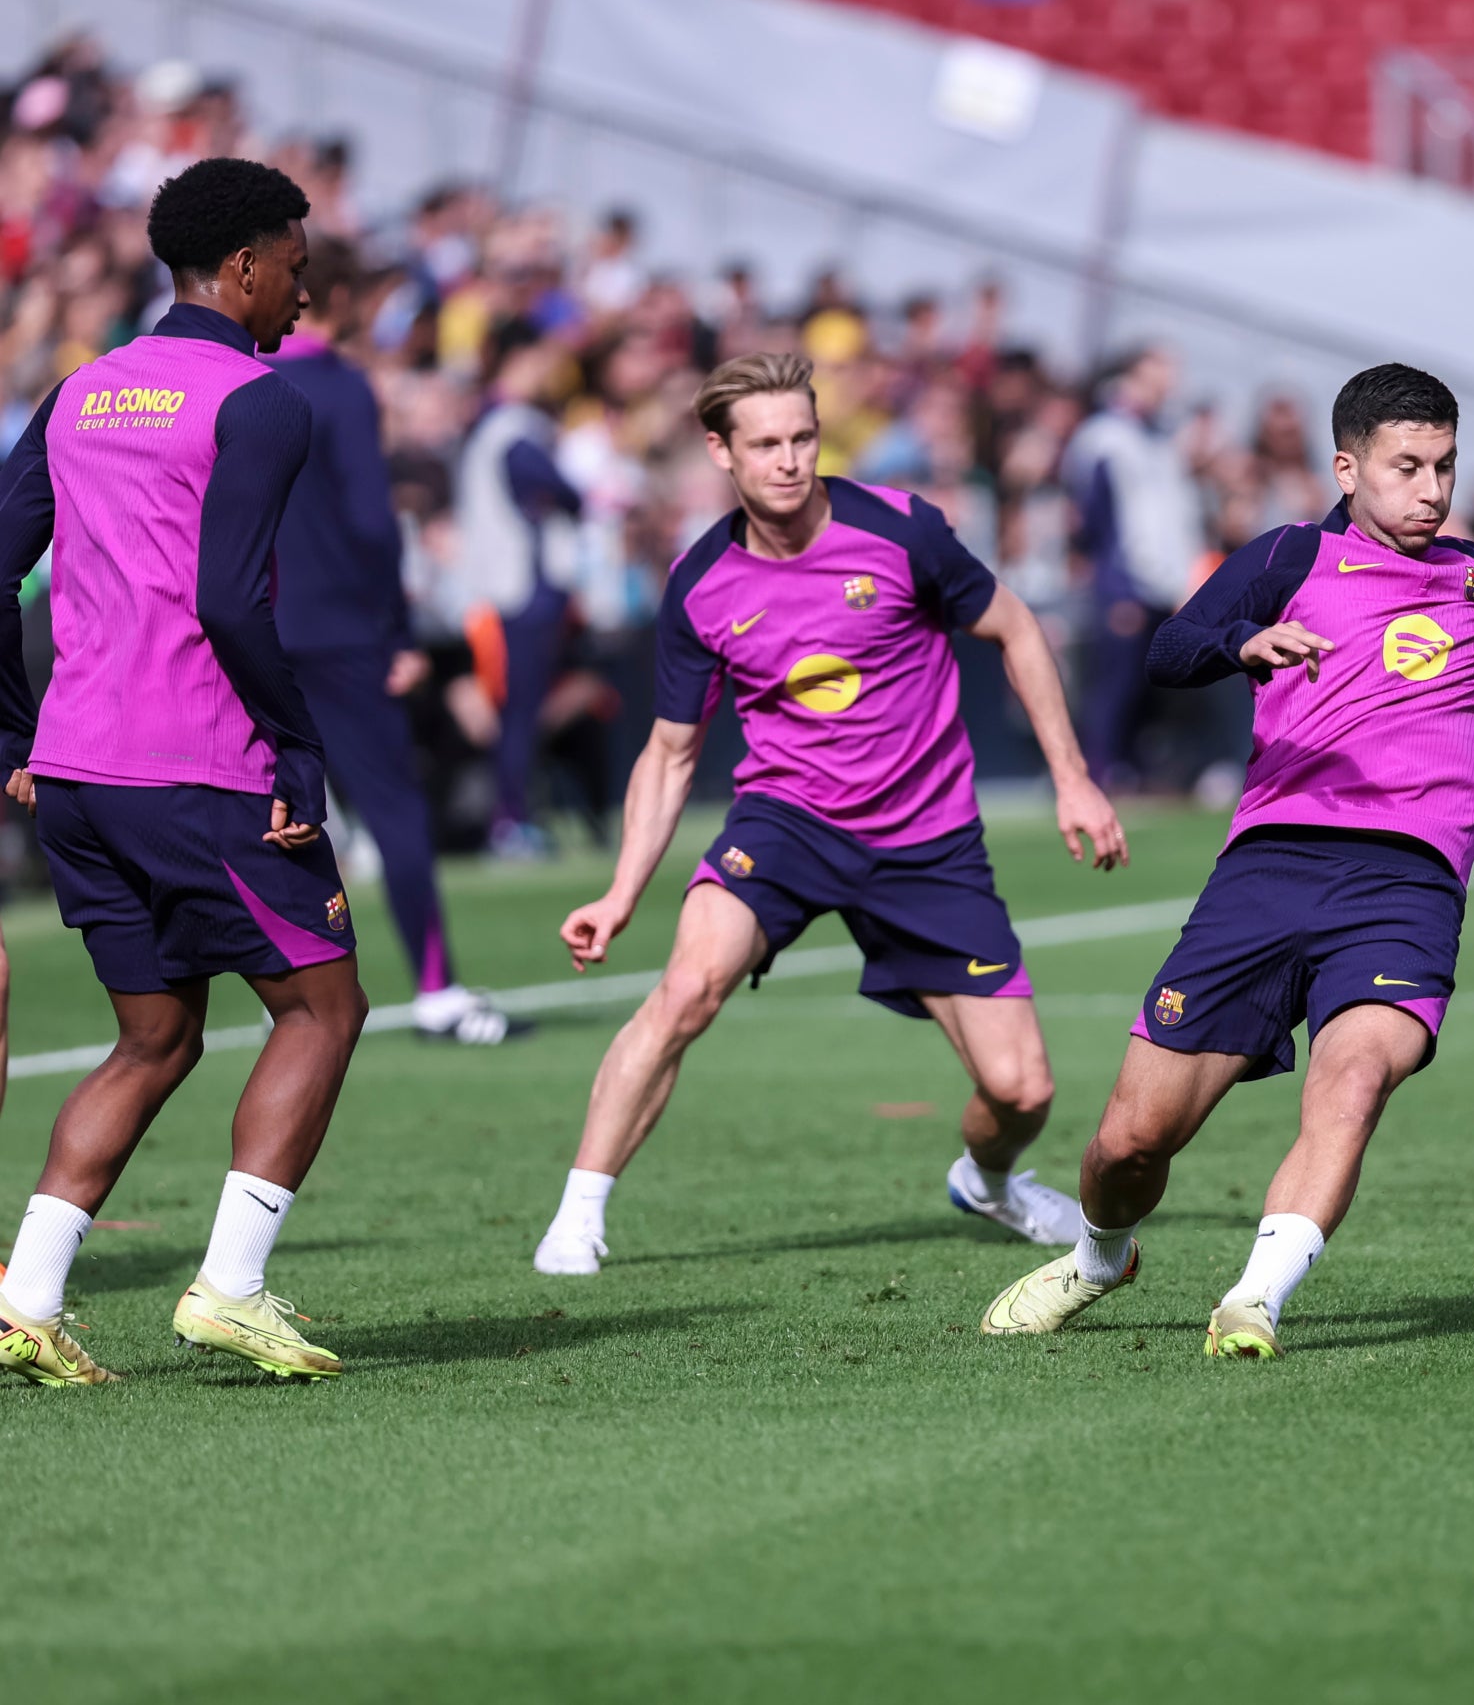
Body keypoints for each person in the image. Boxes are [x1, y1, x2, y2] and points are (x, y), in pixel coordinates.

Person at [977, 363, 1474, 1359]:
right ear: (1346, 466)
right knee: (1129, 1139)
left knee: (1354, 1076)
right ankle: (1099, 1257)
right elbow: (1170, 648)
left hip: (1408, 883)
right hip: (1269, 867)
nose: (1431, 490)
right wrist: (1243, 642)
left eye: (1444, 466)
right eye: (1406, 466)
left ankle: (1255, 1299)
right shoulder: (1287, 555)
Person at [531, 352, 1128, 1275]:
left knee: (1022, 1091)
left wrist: (1073, 777)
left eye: (803, 437)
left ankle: (990, 1182)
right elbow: (670, 752)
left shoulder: (900, 532)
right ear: (720, 452)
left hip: (928, 841)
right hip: (787, 826)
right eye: (765, 443)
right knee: (686, 990)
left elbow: (1014, 625)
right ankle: (578, 1214)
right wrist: (619, 893)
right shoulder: (699, 585)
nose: (789, 460)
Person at [0, 158, 369, 1385]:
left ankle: (29, 1300)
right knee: (323, 1006)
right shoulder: (260, 401)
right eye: (297, 273)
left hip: (80, 772)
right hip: (202, 763)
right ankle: (231, 1285)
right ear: (247, 266)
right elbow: (230, 597)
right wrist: (299, 746)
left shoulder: (79, 393)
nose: (303, 300)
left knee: (151, 1039)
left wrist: (14, 738)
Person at [265, 237, 517, 1043]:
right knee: (395, 808)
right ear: (338, 301)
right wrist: (398, 627)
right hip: (339, 627)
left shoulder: (235, 379)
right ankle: (437, 989)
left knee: (256, 815)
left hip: (248, 626)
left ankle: (277, 994)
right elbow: (373, 521)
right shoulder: (340, 388)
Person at [453, 330, 583, 859]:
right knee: (520, 712)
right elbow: (563, 490)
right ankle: (510, 822)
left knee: (522, 711)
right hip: (520, 589)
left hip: (509, 588)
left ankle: (515, 817)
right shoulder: (513, 427)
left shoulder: (492, 426)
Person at [1064, 344, 1208, 790]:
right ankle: (1099, 773)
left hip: (1162, 586)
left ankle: (1131, 773)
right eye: (1158, 373)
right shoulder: (1105, 437)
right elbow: (1095, 521)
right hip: (1123, 585)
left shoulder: (1160, 438)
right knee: (1114, 685)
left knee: (1149, 688)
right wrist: (1117, 587)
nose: (1168, 384)